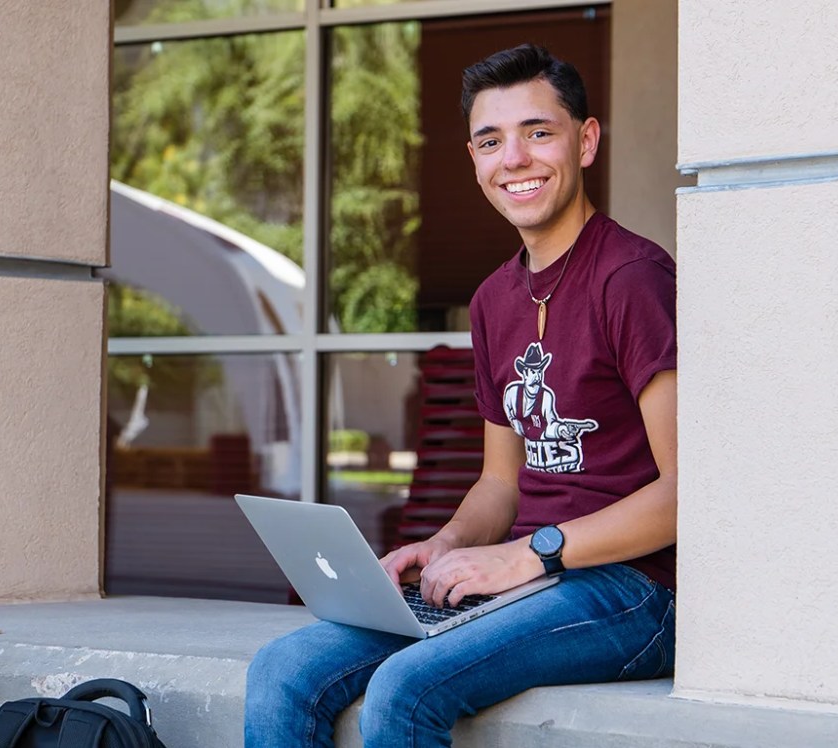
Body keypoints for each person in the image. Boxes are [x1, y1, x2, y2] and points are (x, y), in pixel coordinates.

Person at [244, 42, 677, 748]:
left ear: (586, 141)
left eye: (539, 132)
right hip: (533, 579)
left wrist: (527, 554)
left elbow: (685, 495)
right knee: (283, 668)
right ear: (474, 161)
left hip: (633, 592)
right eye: (491, 140)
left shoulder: (633, 278)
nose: (515, 158)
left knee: (406, 688)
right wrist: (442, 545)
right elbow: (499, 484)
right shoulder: (492, 301)